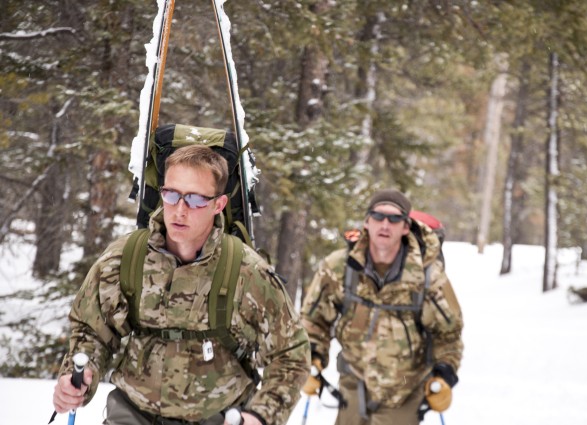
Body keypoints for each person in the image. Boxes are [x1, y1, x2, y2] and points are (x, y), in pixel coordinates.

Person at [53, 145, 310, 425]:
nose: (180, 210)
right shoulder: (125, 258)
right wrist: (79, 375)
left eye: (196, 199)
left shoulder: (248, 273)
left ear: (218, 204)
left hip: (217, 418)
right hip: (133, 413)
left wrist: (260, 415)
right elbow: (92, 331)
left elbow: (291, 355)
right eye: (171, 195)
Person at [300, 189, 463, 425]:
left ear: (406, 227)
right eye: (378, 217)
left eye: (394, 219)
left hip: (405, 390)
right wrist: (312, 358)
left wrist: (444, 375)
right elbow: (313, 320)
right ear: (367, 222)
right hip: (352, 385)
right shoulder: (340, 266)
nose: (385, 225)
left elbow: (449, 333)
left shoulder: (428, 276)